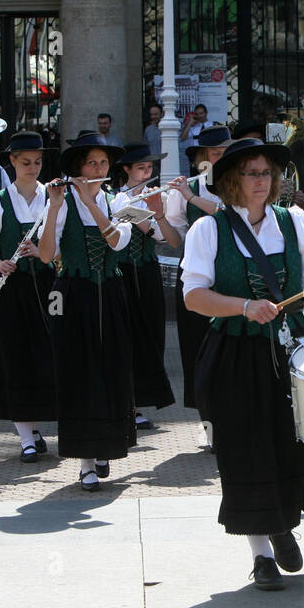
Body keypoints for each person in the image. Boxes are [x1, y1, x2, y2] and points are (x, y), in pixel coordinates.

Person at [183, 138, 304, 590]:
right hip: (235, 355)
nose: (261, 180)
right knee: (246, 455)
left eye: (267, 173)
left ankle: (282, 524)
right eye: (252, 173)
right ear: (232, 180)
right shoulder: (208, 230)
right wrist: (243, 305)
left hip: (292, 353)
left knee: (295, 445)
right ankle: (260, 555)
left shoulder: (292, 221)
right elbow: (194, 297)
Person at [37, 131, 136, 490]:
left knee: (112, 368)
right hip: (72, 293)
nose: (97, 168)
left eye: (103, 163)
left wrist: (91, 201)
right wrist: (52, 206)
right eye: (91, 163)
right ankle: (84, 462)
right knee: (79, 372)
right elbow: (47, 256)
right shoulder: (61, 205)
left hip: (110, 291)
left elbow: (116, 240)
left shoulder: (118, 200)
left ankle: (107, 445)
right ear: (79, 167)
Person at [0, 131, 57, 462]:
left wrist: (40, 251)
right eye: (26, 163)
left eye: (38, 162)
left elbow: (59, 248)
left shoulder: (52, 200)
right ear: (12, 162)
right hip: (11, 289)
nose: (33, 168)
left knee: (46, 355)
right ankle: (25, 434)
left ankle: (38, 426)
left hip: (48, 288)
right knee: (16, 358)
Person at [166, 124, 233, 436]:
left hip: (230, 275)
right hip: (195, 278)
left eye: (224, 153)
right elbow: (176, 239)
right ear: (201, 159)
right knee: (196, 349)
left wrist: (191, 196)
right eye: (214, 154)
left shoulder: (238, 184)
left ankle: (234, 418)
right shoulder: (186, 189)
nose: (220, 159)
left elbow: (226, 214)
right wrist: (156, 216)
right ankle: (208, 426)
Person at [112, 141, 177, 430]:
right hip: (123, 272)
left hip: (147, 271)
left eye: (149, 167)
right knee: (126, 336)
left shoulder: (157, 198)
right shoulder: (116, 199)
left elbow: (170, 240)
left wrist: (159, 210)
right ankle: (127, 404)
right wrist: (150, 209)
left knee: (151, 333)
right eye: (141, 168)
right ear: (127, 170)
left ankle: (141, 400)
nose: (146, 172)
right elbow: (148, 231)